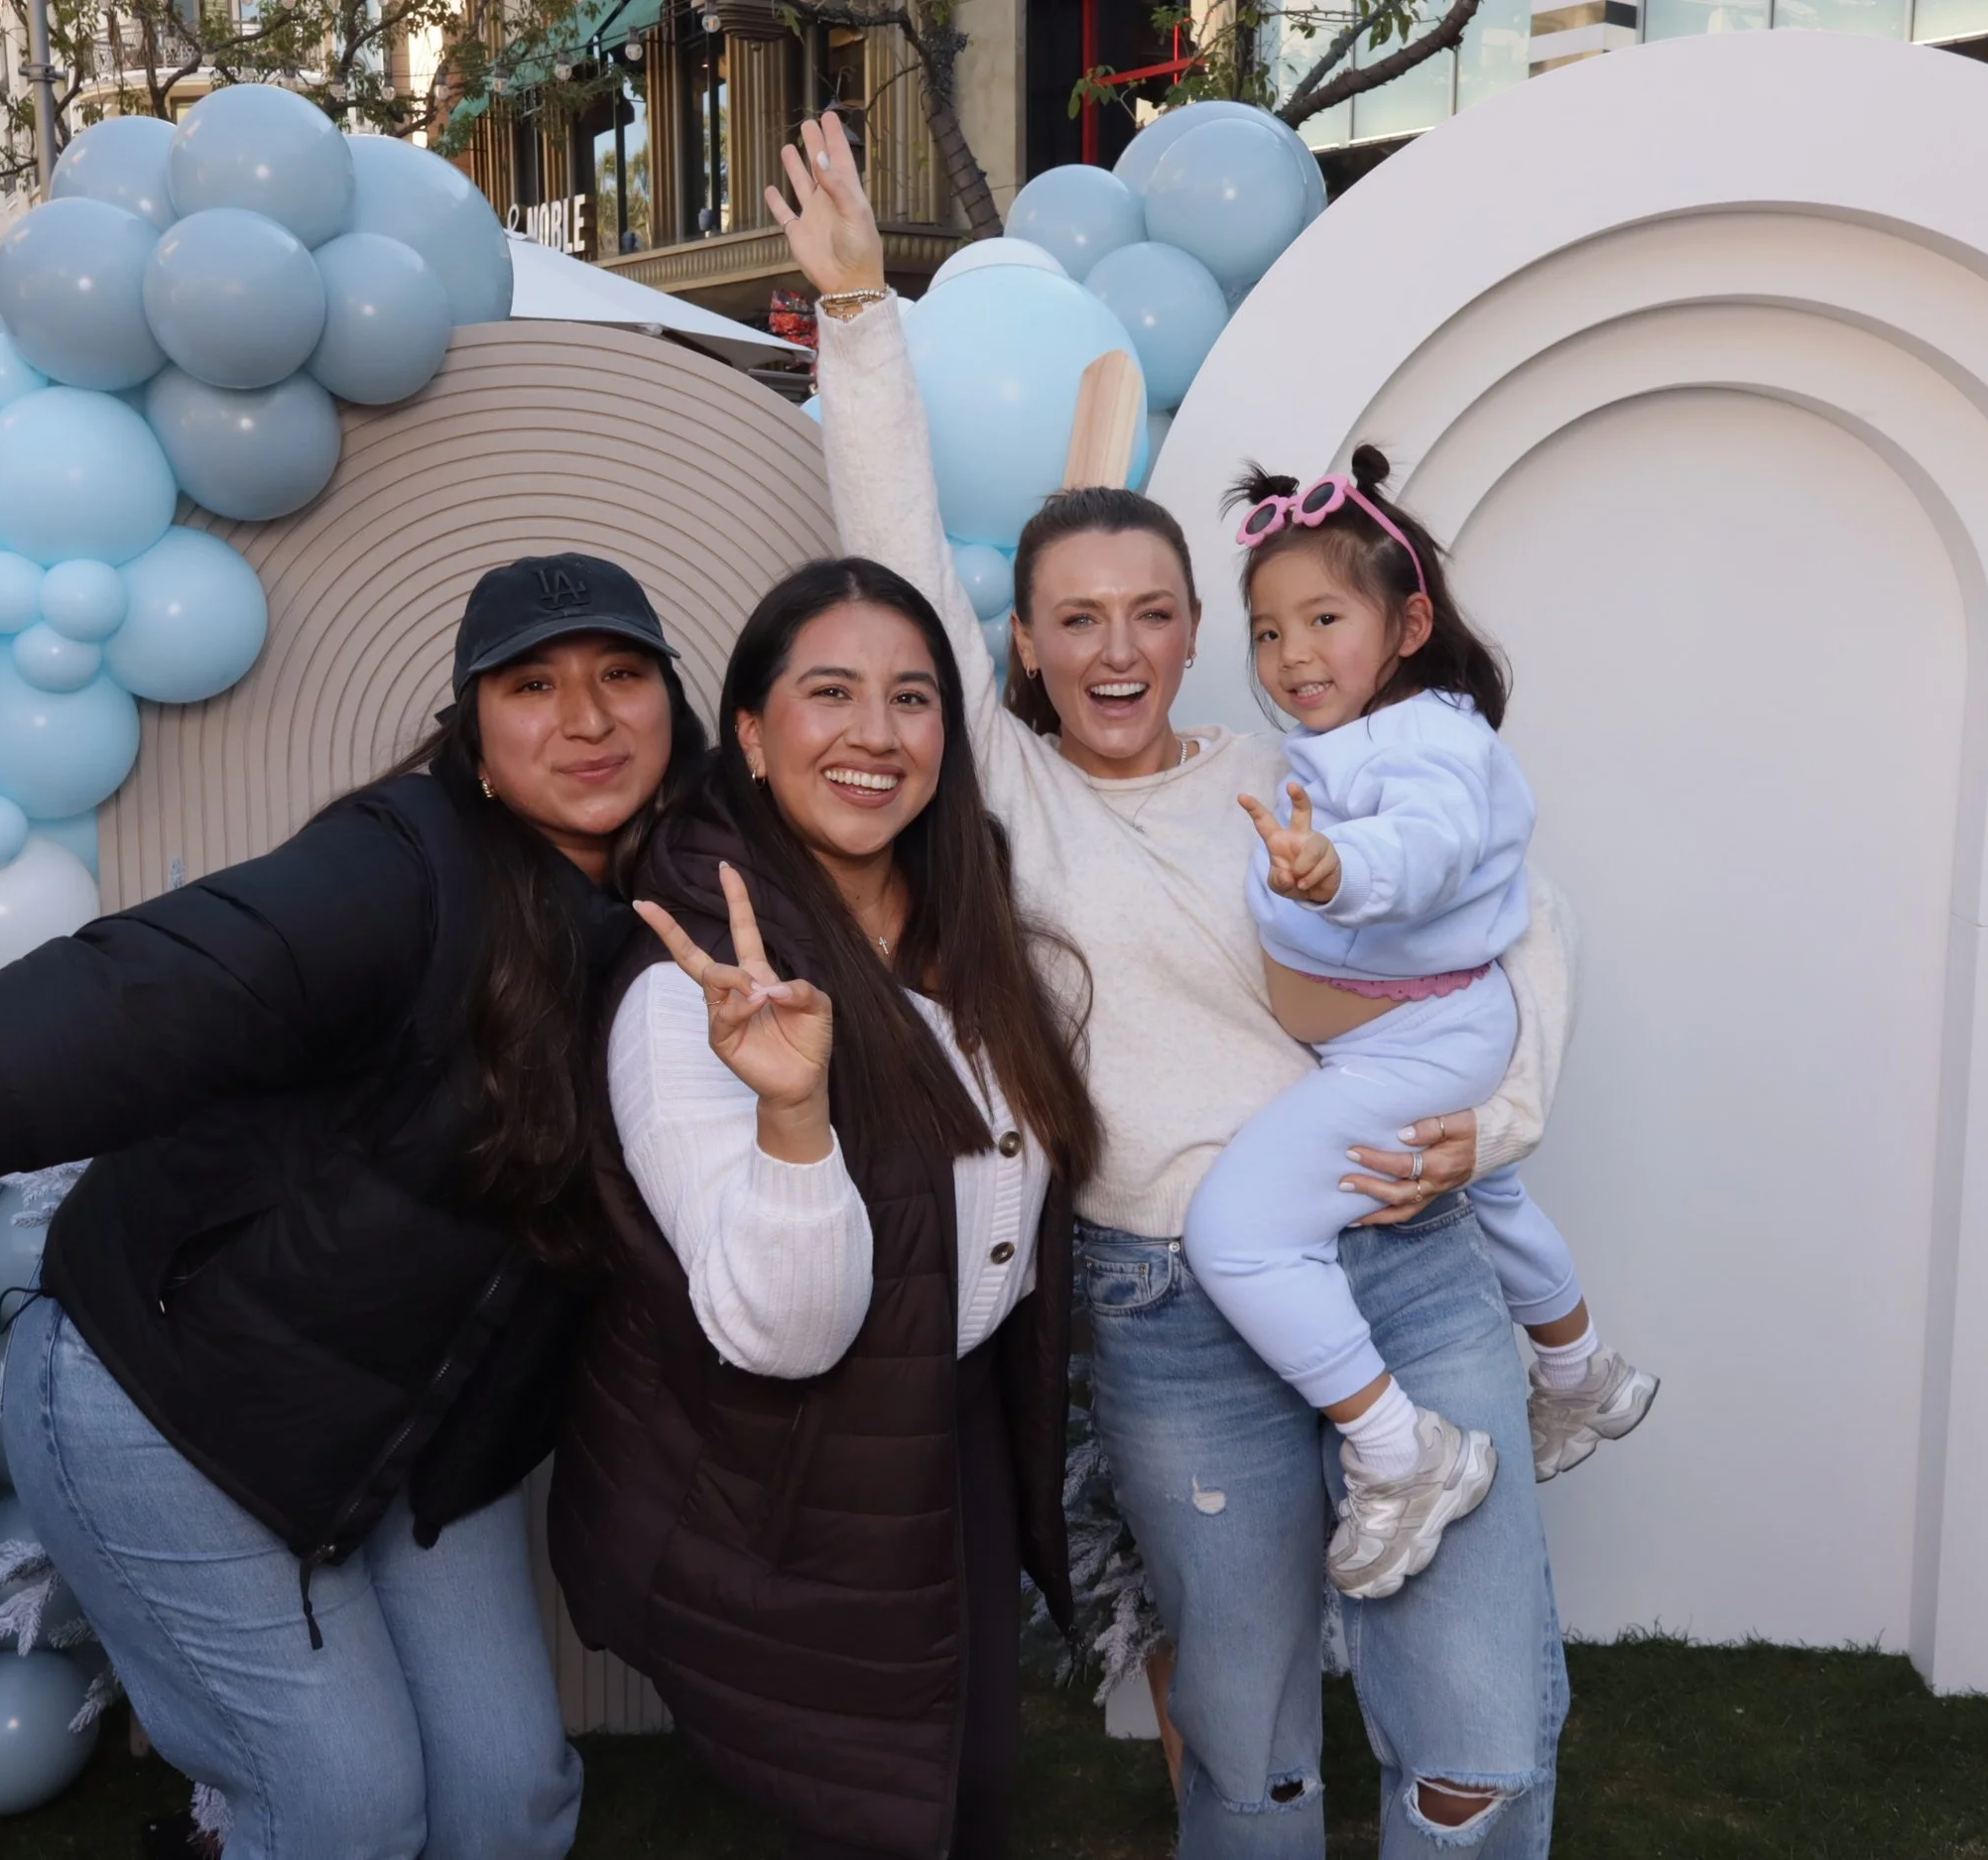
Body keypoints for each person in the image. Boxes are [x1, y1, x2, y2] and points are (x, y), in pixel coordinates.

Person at [775, 113, 1576, 1856]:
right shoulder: (1002, 794)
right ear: (1025, 645)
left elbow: (1513, 937)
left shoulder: (1307, 767)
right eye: (1077, 617)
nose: (1118, 646)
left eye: (1152, 609)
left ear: (1196, 630)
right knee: (1247, 1756)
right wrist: (858, 319)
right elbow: (899, 549)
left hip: (1406, 1258)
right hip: (1171, 1317)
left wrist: (1488, 1124)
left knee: (1476, 1750)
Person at [0, 554, 704, 1860]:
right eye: (534, 684)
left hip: (408, 1434)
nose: (587, 718)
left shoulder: (695, 901)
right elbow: (143, 994)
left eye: (622, 675)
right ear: (476, 733)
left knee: (505, 1800)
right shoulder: (406, 862)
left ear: (674, 705)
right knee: (345, 1807)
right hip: (171, 1395)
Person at [548, 556, 1101, 1860]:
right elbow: (782, 1330)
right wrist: (795, 1110)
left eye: (911, 697)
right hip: (792, 1476)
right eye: (829, 692)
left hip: (942, 1426)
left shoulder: (966, 916)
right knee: (877, 1806)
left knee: (962, 1789)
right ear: (750, 728)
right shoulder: (696, 981)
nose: (874, 733)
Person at [1181, 456, 1659, 1602]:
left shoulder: (1426, 747)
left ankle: (1403, 1454)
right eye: (1265, 632)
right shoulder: (1370, 735)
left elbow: (1427, 846)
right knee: (1488, 1200)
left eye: (1324, 619)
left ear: (1407, 624)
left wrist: (1336, 868)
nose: (1291, 655)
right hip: (1424, 1029)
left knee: (1238, 1235)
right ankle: (1582, 1368)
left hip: (1419, 1039)